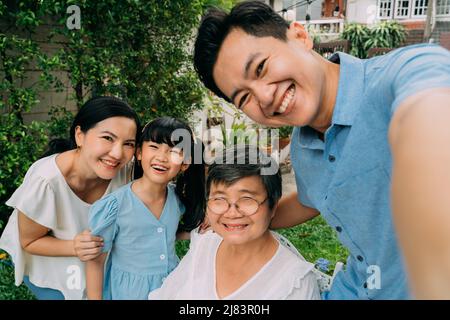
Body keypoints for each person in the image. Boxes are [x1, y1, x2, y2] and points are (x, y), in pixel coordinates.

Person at [193, 1, 450, 299]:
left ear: (300, 36)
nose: (264, 97)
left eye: (261, 67)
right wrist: (236, 214)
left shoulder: (403, 74)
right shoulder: (303, 148)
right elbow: (310, 201)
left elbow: (430, 118)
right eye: (244, 97)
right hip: (354, 289)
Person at [0, 96, 140, 299]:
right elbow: (29, 241)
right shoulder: (45, 181)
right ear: (80, 135)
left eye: (128, 143)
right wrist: (74, 246)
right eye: (108, 138)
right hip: (49, 264)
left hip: (95, 262)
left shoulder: (127, 170)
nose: (117, 153)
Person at [148, 145, 320, 300]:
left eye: (247, 199)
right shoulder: (204, 246)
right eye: (219, 199)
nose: (232, 212)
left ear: (273, 206)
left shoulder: (295, 282)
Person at [86, 117, 206, 300]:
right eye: (154, 147)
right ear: (139, 152)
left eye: (174, 151)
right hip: (130, 292)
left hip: (172, 286)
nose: (162, 157)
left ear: (185, 163)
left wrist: (196, 231)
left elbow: (161, 233)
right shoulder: (114, 206)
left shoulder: (176, 198)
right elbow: (95, 261)